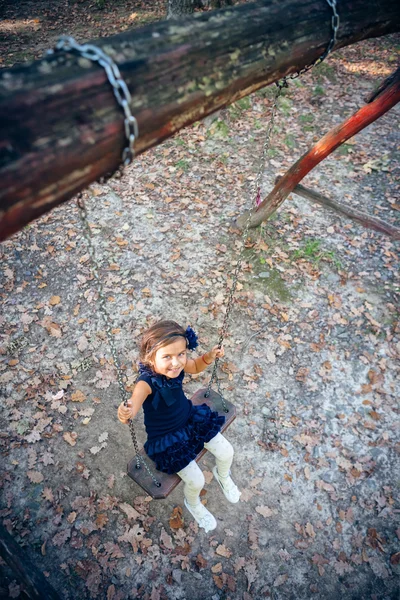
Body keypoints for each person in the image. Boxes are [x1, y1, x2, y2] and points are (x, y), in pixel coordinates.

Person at [118, 320, 241, 532]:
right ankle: (192, 503)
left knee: (227, 452)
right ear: (151, 358)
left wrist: (209, 357)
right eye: (167, 357)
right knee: (196, 481)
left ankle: (222, 476)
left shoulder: (180, 366)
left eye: (181, 354)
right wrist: (125, 412)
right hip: (167, 439)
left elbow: (195, 366)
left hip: (190, 420)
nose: (176, 363)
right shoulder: (145, 383)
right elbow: (134, 403)